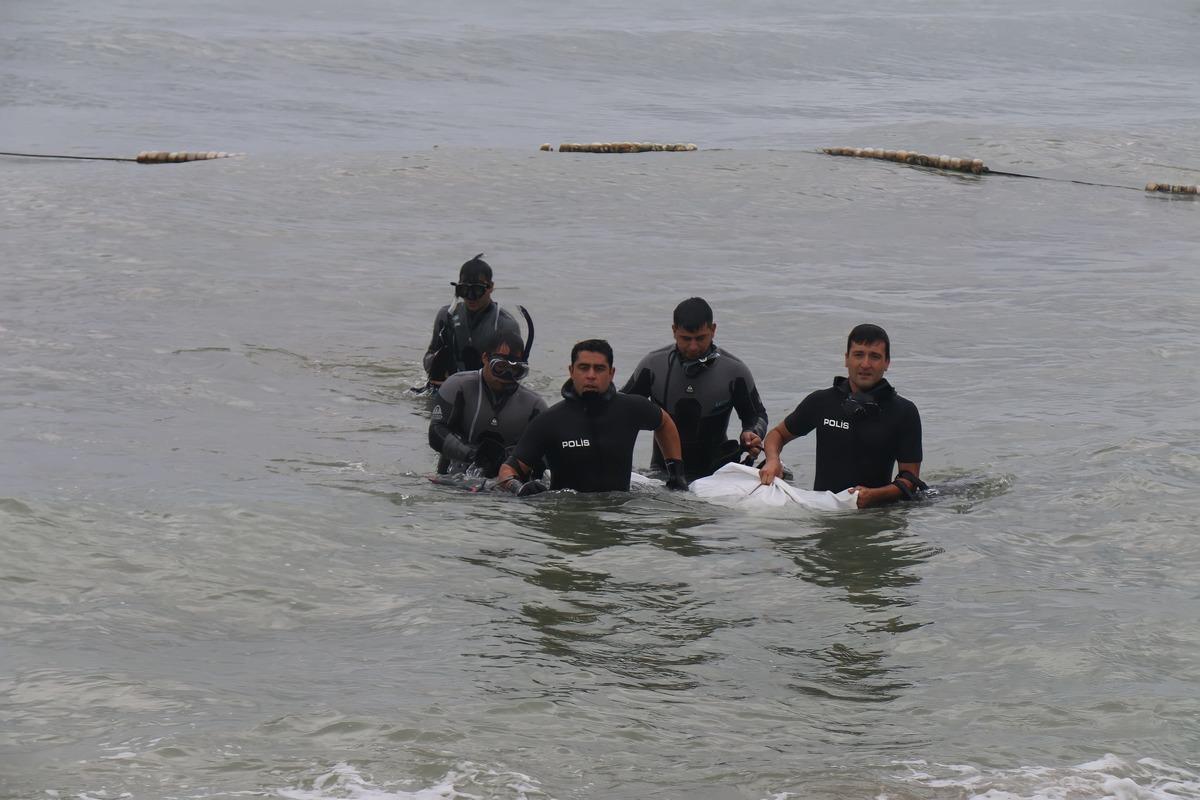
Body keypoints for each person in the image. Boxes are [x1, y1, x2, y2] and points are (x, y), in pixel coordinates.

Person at [758, 324, 924, 508]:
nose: (865, 364)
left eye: (875, 356)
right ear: (846, 359)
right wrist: (773, 460)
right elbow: (777, 435)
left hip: (876, 516)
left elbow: (910, 480)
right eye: (858, 354)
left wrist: (875, 495)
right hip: (823, 512)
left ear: (887, 363)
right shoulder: (822, 402)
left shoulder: (904, 411)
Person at [497, 339, 688, 494]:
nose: (590, 375)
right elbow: (508, 470)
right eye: (583, 368)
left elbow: (664, 422)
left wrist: (676, 473)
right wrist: (519, 488)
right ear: (571, 371)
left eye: (599, 369)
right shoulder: (550, 421)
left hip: (617, 517)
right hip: (569, 518)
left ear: (612, 373)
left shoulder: (631, 408)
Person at [621, 297, 768, 480]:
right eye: (685, 339)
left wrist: (752, 434)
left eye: (700, 338)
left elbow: (756, 415)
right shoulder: (653, 366)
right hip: (661, 473)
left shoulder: (734, 371)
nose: (693, 347)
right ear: (674, 331)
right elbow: (619, 409)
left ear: (713, 330)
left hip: (716, 475)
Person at [428, 329, 547, 478]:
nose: (506, 375)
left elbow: (545, 455)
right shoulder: (458, 386)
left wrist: (510, 462)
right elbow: (436, 432)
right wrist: (472, 455)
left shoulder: (535, 405)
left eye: (515, 369)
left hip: (504, 489)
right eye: (500, 367)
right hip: (453, 482)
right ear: (485, 358)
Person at [422, 254, 523, 386]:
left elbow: (513, 371)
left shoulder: (505, 324)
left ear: (490, 287)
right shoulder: (446, 316)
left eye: (477, 290)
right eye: (464, 290)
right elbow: (429, 354)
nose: (471, 297)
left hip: (486, 389)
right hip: (447, 386)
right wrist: (436, 364)